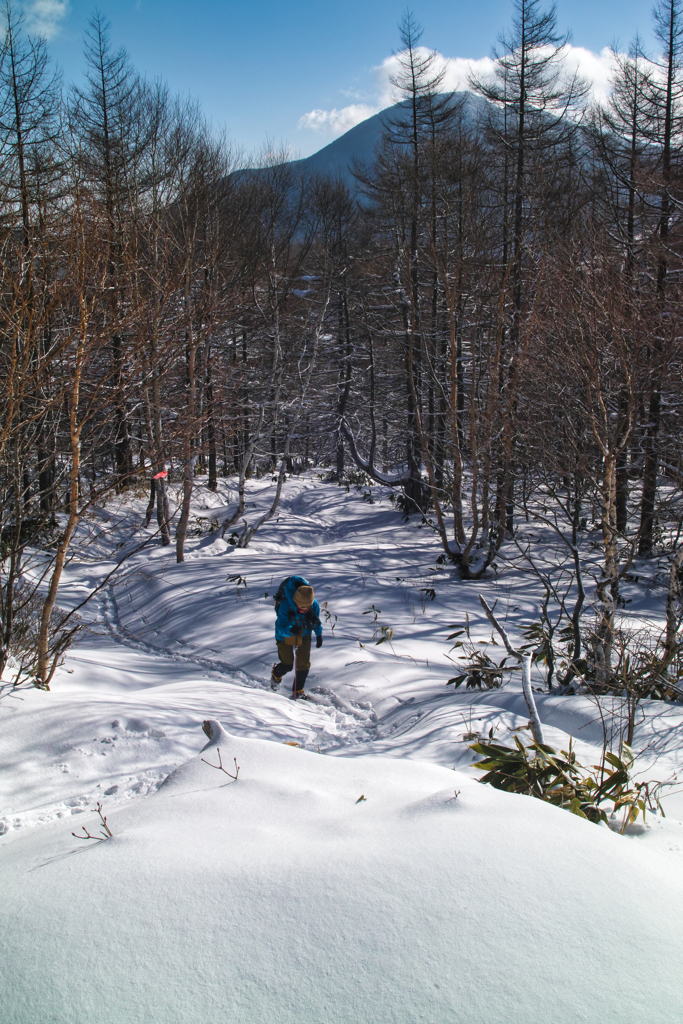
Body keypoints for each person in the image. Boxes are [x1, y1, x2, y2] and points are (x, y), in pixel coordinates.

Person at [271, 575, 323, 698]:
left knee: (303, 664)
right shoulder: (285, 604)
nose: (305, 610)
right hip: (284, 635)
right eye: (301, 607)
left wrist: (319, 634)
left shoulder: (314, 604)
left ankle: (298, 692)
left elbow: (315, 620)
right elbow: (280, 627)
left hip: (304, 633)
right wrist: (290, 630)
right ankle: (276, 674)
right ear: (295, 602)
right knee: (288, 665)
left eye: (307, 608)